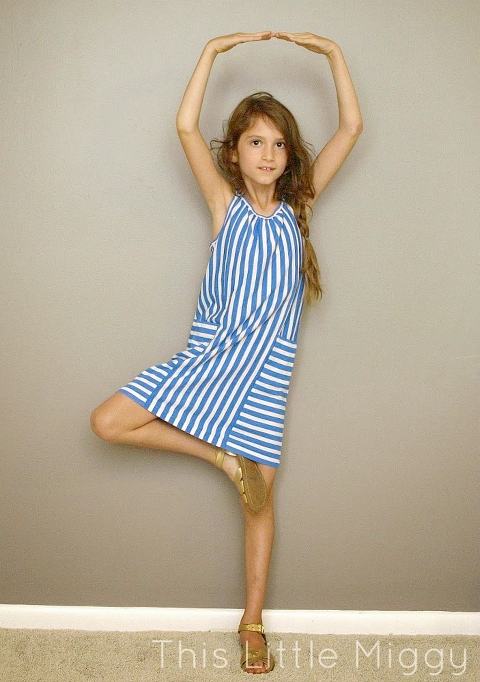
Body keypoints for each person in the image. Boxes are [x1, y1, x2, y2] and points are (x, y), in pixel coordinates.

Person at [90, 30, 363, 674]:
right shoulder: (224, 205)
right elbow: (185, 126)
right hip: (212, 360)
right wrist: (213, 50)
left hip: (266, 374)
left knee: (259, 506)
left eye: (279, 143)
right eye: (255, 142)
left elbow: (352, 126)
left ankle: (252, 624)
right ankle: (222, 458)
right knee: (108, 421)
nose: (268, 154)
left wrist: (332, 53)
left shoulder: (299, 206)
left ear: (290, 155)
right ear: (234, 152)